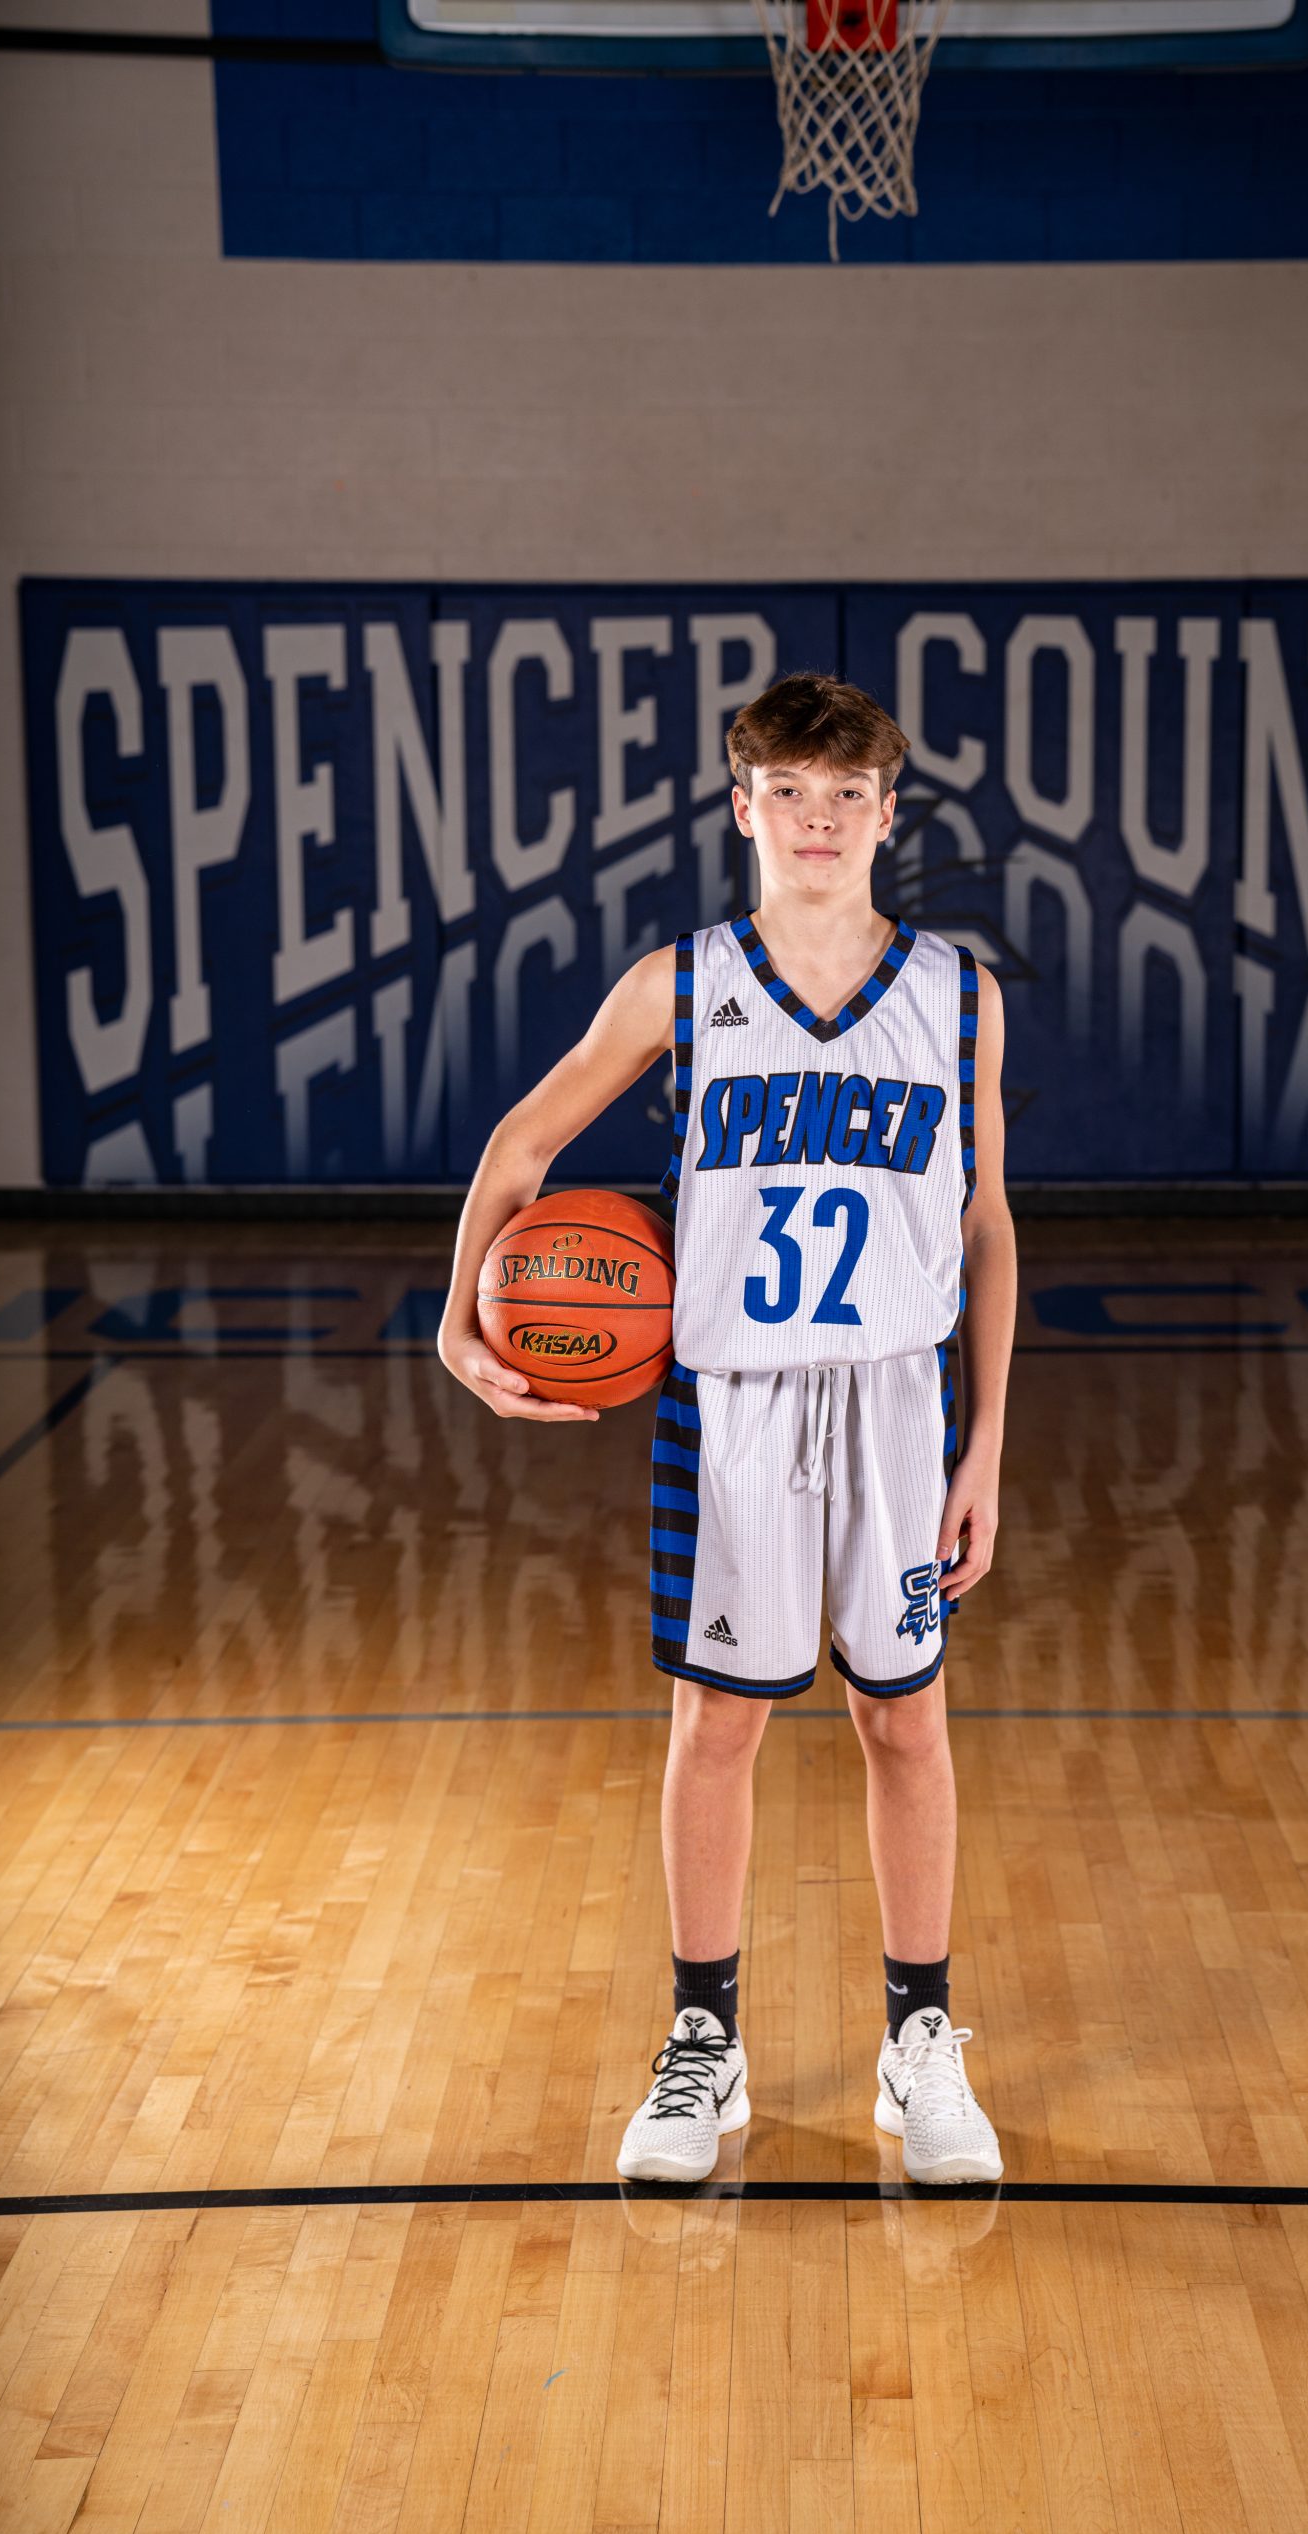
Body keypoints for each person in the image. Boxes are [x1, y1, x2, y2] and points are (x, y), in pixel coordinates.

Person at [438, 672, 1013, 2185]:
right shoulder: (682, 985)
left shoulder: (957, 994)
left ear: (888, 813)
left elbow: (986, 1223)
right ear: (742, 807)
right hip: (735, 1401)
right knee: (717, 1722)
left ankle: (919, 2041)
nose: (819, 821)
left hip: (896, 1400)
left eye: (848, 796)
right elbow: (523, 1143)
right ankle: (705, 2041)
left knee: (906, 1719)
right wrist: (454, 1319)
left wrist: (984, 1447)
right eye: (790, 794)